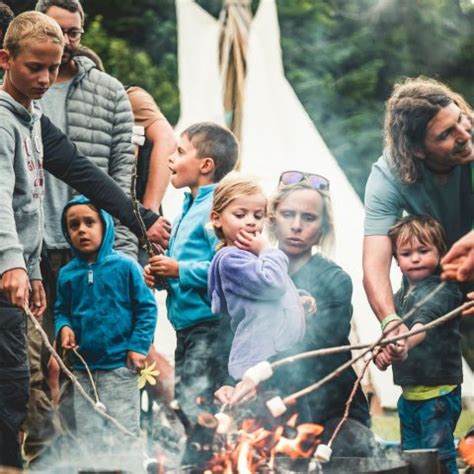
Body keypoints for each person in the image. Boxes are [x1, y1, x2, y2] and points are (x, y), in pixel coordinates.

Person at [0, 11, 167, 467]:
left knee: (17, 380)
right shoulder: (2, 121)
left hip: (23, 270)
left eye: (51, 68)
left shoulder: (32, 120)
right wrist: (12, 260)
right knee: (12, 380)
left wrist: (141, 217)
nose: (44, 78)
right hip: (6, 269)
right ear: (5, 60)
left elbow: (82, 171)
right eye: (34, 67)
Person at [363, 76, 474, 365]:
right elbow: (374, 263)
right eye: (446, 134)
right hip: (443, 275)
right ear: (417, 150)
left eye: (462, 119)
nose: (464, 134)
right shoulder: (388, 175)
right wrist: (389, 320)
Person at [269, 172, 371, 456]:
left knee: (352, 447)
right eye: (288, 214)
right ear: (272, 219)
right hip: (271, 405)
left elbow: (315, 347)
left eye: (309, 218)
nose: (297, 226)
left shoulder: (335, 280)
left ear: (324, 227)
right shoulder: (252, 273)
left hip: (332, 412)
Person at [144, 122, 239, 420]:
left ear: (206, 165)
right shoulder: (186, 207)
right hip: (185, 327)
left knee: (197, 403)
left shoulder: (215, 209)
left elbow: (224, 266)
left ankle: (208, 461)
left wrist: (178, 269)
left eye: (180, 152)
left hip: (209, 327)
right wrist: (161, 277)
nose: (171, 158)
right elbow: (180, 268)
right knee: (187, 400)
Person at [35, 0, 138, 258]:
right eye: (57, 31)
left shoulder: (110, 92)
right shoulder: (20, 93)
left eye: (74, 33)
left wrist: (123, 252)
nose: (67, 41)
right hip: (33, 246)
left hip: (94, 247)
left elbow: (122, 177)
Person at [55, 196, 157, 452]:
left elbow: (147, 308)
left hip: (119, 369)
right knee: (90, 437)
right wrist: (63, 327)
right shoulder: (67, 274)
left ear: (105, 226)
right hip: (83, 371)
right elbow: (61, 310)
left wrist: (138, 347)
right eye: (74, 225)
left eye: (90, 222)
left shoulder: (125, 267)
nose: (82, 230)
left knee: (124, 434)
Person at [376, 215, 463, 474]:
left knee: (439, 458)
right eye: (406, 253)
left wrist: (402, 344)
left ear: (439, 252)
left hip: (438, 396)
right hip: (409, 396)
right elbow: (389, 334)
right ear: (396, 260)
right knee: (411, 459)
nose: (415, 258)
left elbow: (422, 326)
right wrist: (383, 354)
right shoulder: (397, 297)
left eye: (423, 251)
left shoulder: (443, 290)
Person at [209, 176, 307, 405]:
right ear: (217, 219)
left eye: (258, 215)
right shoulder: (231, 259)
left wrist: (298, 299)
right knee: (267, 421)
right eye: (240, 215)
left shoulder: (251, 258)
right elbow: (272, 284)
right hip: (257, 360)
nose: (251, 222)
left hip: (275, 356)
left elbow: (267, 295)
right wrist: (268, 250)